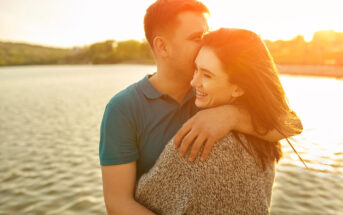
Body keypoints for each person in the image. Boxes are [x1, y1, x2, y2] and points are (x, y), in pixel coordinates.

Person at [99, 1, 302, 214]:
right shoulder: (122, 109)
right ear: (162, 46)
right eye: (198, 38)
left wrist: (230, 116)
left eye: (207, 35)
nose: (207, 44)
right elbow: (118, 203)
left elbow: (293, 125)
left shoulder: (216, 92)